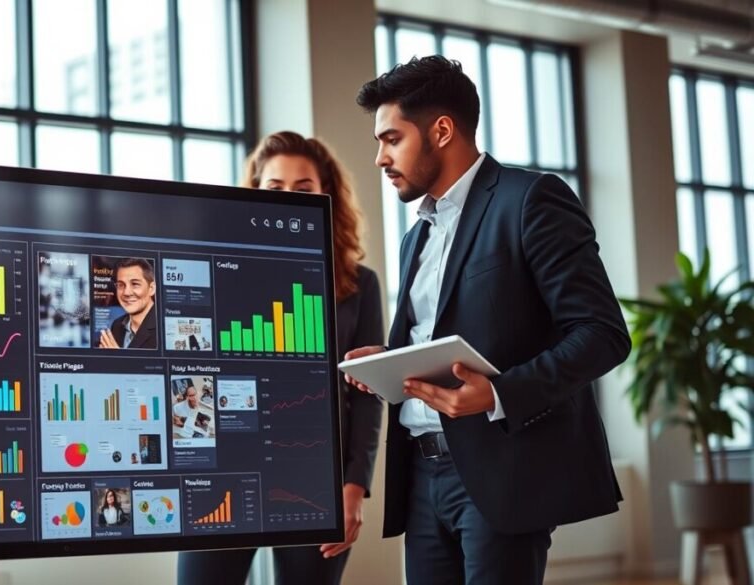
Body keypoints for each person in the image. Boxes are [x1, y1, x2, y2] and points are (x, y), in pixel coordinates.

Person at [344, 55, 630, 585]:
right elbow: (449, 336)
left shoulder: (531, 200)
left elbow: (602, 335)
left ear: (443, 130)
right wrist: (393, 362)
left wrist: (499, 393)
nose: (381, 157)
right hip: (422, 476)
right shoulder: (416, 237)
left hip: (503, 475)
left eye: (391, 138)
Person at [177, 131, 385, 585]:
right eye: (275, 188)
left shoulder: (359, 284)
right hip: (224, 470)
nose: (290, 198)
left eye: (303, 188)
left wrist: (354, 490)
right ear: (255, 194)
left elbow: (368, 397)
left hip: (316, 480)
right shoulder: (218, 269)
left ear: (326, 195)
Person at [99, 258, 157, 349]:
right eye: (121, 285)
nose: (126, 292)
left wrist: (119, 360)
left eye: (135, 284)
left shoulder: (164, 326)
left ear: (151, 289)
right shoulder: (117, 325)